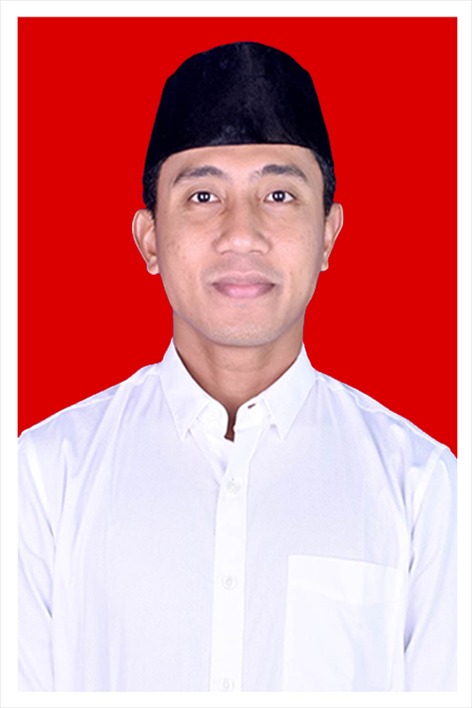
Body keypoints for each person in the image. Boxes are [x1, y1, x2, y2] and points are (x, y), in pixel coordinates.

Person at [18, 41, 456, 692]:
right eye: (202, 196)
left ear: (329, 233)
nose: (241, 234)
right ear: (149, 239)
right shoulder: (43, 479)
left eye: (279, 194)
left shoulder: (422, 489)